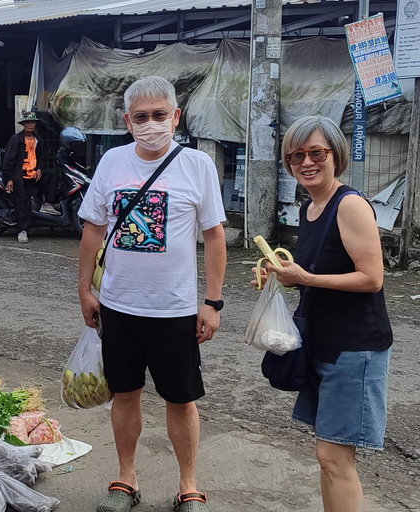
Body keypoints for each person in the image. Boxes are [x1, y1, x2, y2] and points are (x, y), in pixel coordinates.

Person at [78, 76, 227, 512]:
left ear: (176, 116)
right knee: (124, 395)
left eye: (160, 115)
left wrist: (212, 302)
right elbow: (93, 229)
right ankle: (126, 479)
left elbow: (215, 237)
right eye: (141, 117)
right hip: (119, 307)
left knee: (181, 399)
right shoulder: (112, 162)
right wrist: (85, 290)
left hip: (175, 310)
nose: (151, 124)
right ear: (127, 121)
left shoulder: (197, 165)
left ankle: (189, 486)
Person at [252, 116, 392, 512]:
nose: (306, 162)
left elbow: (372, 279)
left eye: (317, 153)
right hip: (321, 343)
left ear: (336, 155)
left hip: (355, 348)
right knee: (328, 458)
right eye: (297, 155)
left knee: (335, 458)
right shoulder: (309, 208)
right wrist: (282, 278)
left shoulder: (349, 204)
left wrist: (306, 276)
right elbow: (315, 273)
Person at [2, 111, 60, 244]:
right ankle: (22, 230)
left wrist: (40, 168)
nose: (30, 125)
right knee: (23, 203)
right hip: (20, 177)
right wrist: (10, 178)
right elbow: (9, 160)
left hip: (34, 175)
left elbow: (43, 157)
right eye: (28, 122)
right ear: (23, 124)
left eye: (32, 122)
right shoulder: (16, 139)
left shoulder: (38, 139)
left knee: (52, 175)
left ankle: (47, 204)